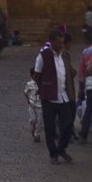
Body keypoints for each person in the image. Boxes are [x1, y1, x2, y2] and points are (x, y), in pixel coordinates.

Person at [31, 27, 74, 164]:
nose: (60, 45)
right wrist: (45, 88)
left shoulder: (64, 55)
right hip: (49, 97)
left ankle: (61, 149)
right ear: (52, 42)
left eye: (62, 42)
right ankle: (53, 154)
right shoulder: (43, 56)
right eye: (58, 43)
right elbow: (37, 75)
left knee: (68, 125)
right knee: (50, 128)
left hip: (63, 96)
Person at [23, 75, 42, 142]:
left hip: (40, 105)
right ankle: (33, 127)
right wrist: (28, 100)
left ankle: (37, 134)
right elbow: (25, 92)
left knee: (39, 121)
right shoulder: (29, 84)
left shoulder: (42, 83)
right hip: (32, 104)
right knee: (33, 119)